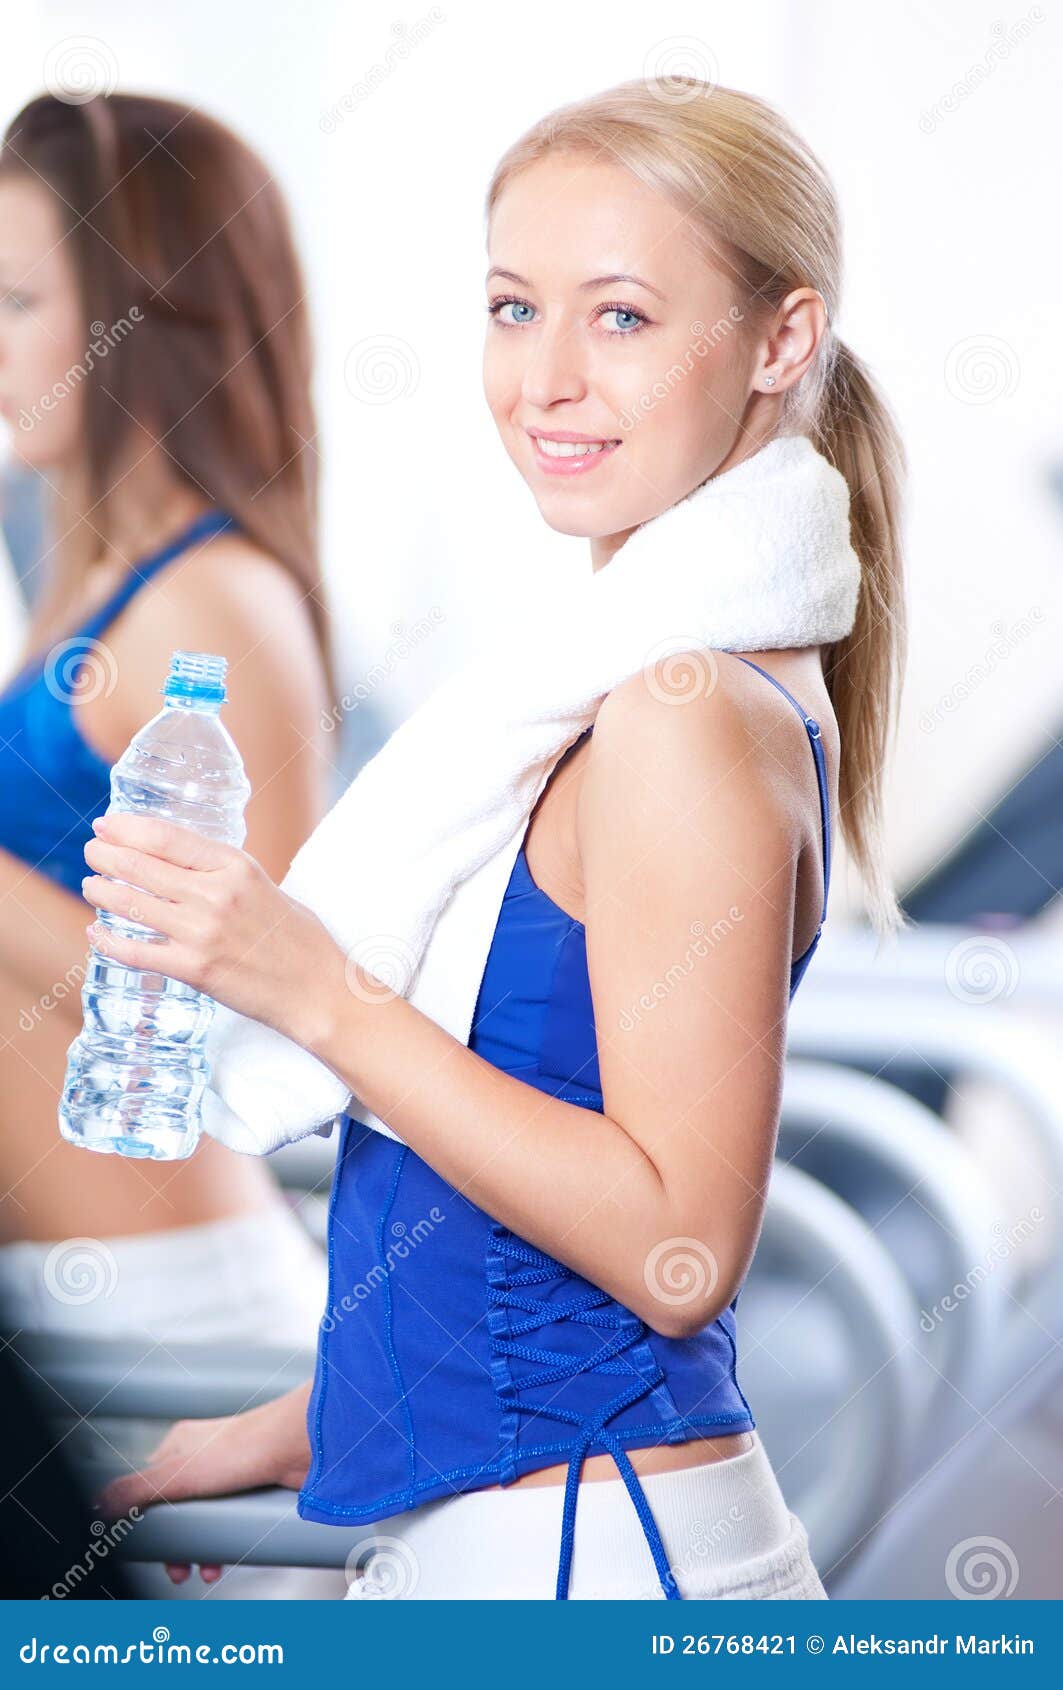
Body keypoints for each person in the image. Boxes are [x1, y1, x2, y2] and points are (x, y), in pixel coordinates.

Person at [95, 79, 907, 1600]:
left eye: (620, 318)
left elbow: (678, 1243)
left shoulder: (679, 709)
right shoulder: (633, 682)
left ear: (780, 341)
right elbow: (509, 1191)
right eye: (513, 306)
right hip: (542, 1532)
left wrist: (318, 992)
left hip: (594, 1557)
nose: (545, 379)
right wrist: (307, 1422)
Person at [0, 91, 344, 1597]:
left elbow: (249, 1011)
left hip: (160, 1316)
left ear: (143, 321)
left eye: (18, 300)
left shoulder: (211, 611)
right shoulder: (100, 588)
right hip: (70, 1303)